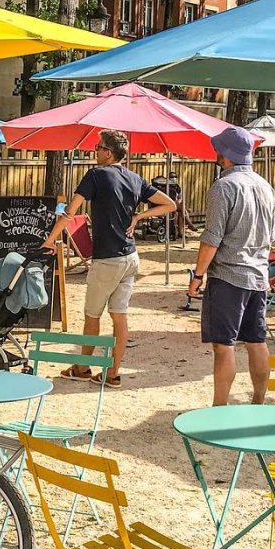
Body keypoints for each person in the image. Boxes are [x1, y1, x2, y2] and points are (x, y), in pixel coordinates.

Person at [40, 129, 176, 387]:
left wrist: (49, 240)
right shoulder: (135, 178)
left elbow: (70, 212)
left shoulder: (95, 176)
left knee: (92, 315)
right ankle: (113, 373)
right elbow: (170, 204)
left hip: (107, 259)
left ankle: (82, 369)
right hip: (130, 256)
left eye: (98, 147)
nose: (94, 151)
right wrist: (138, 217)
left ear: (108, 152)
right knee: (119, 316)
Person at [187, 127, 275, 407]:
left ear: (225, 155)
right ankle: (259, 402)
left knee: (223, 345)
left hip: (228, 275)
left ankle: (219, 407)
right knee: (256, 341)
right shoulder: (265, 186)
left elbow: (211, 238)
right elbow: (271, 236)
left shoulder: (223, 187)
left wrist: (198, 275)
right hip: (258, 274)